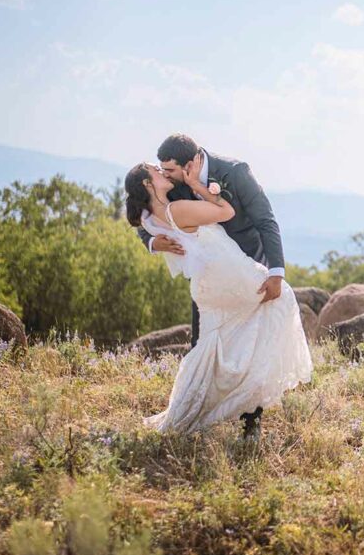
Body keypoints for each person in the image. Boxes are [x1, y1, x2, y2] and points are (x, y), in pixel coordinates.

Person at [125, 152, 310, 438]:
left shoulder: (232, 173)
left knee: (212, 345)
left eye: (168, 169)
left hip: (217, 275)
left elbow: (265, 219)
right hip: (225, 274)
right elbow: (225, 213)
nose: (166, 173)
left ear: (187, 163)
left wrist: (275, 269)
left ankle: (216, 413)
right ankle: (219, 409)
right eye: (159, 170)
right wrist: (155, 241)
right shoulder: (176, 201)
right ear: (149, 184)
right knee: (276, 307)